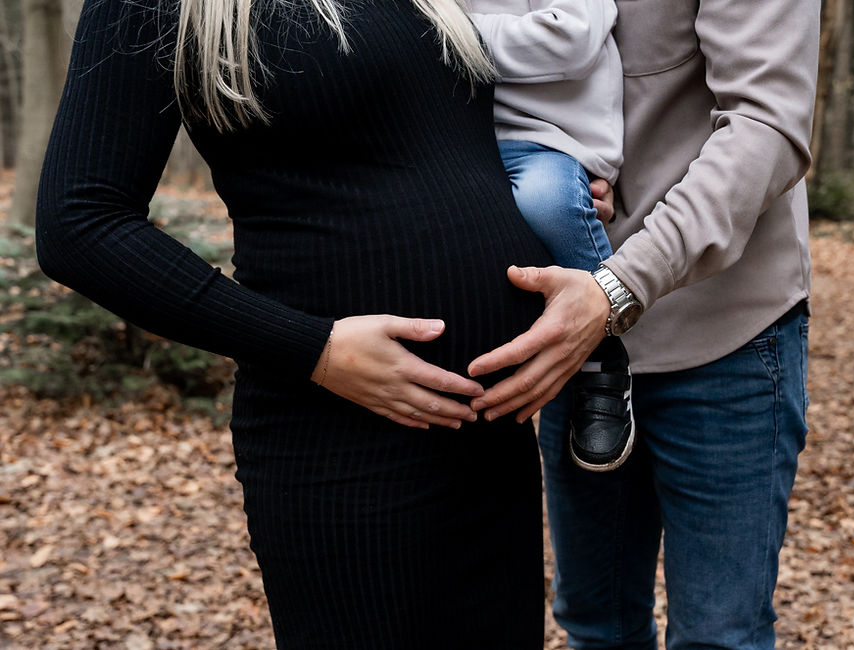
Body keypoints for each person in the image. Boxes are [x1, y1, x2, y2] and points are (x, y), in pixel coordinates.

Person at [35, 0, 552, 647]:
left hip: (490, 438)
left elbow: (436, 151)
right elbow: (79, 223)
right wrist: (314, 348)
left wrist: (564, 189)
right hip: (342, 445)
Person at [468, 0, 820, 647]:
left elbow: (767, 126)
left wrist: (616, 288)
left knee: (719, 637)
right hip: (570, 337)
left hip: (724, 332)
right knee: (598, 629)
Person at [468, 0, 633, 471]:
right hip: (462, 136)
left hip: (548, 140)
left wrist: (449, 32)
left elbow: (573, 38)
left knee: (551, 204)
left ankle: (601, 354)